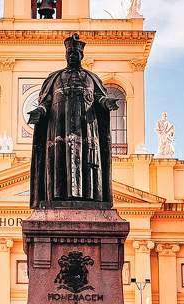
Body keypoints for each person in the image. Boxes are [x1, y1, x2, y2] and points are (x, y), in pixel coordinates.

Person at [28, 33, 118, 209]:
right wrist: (40, 111)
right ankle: (57, 196)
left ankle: (90, 197)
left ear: (81, 56)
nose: (72, 56)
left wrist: (106, 102)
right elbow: (46, 102)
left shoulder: (91, 78)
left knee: (87, 159)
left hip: (86, 129)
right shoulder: (54, 78)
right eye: (69, 53)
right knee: (59, 158)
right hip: (59, 129)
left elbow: (99, 97)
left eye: (75, 53)